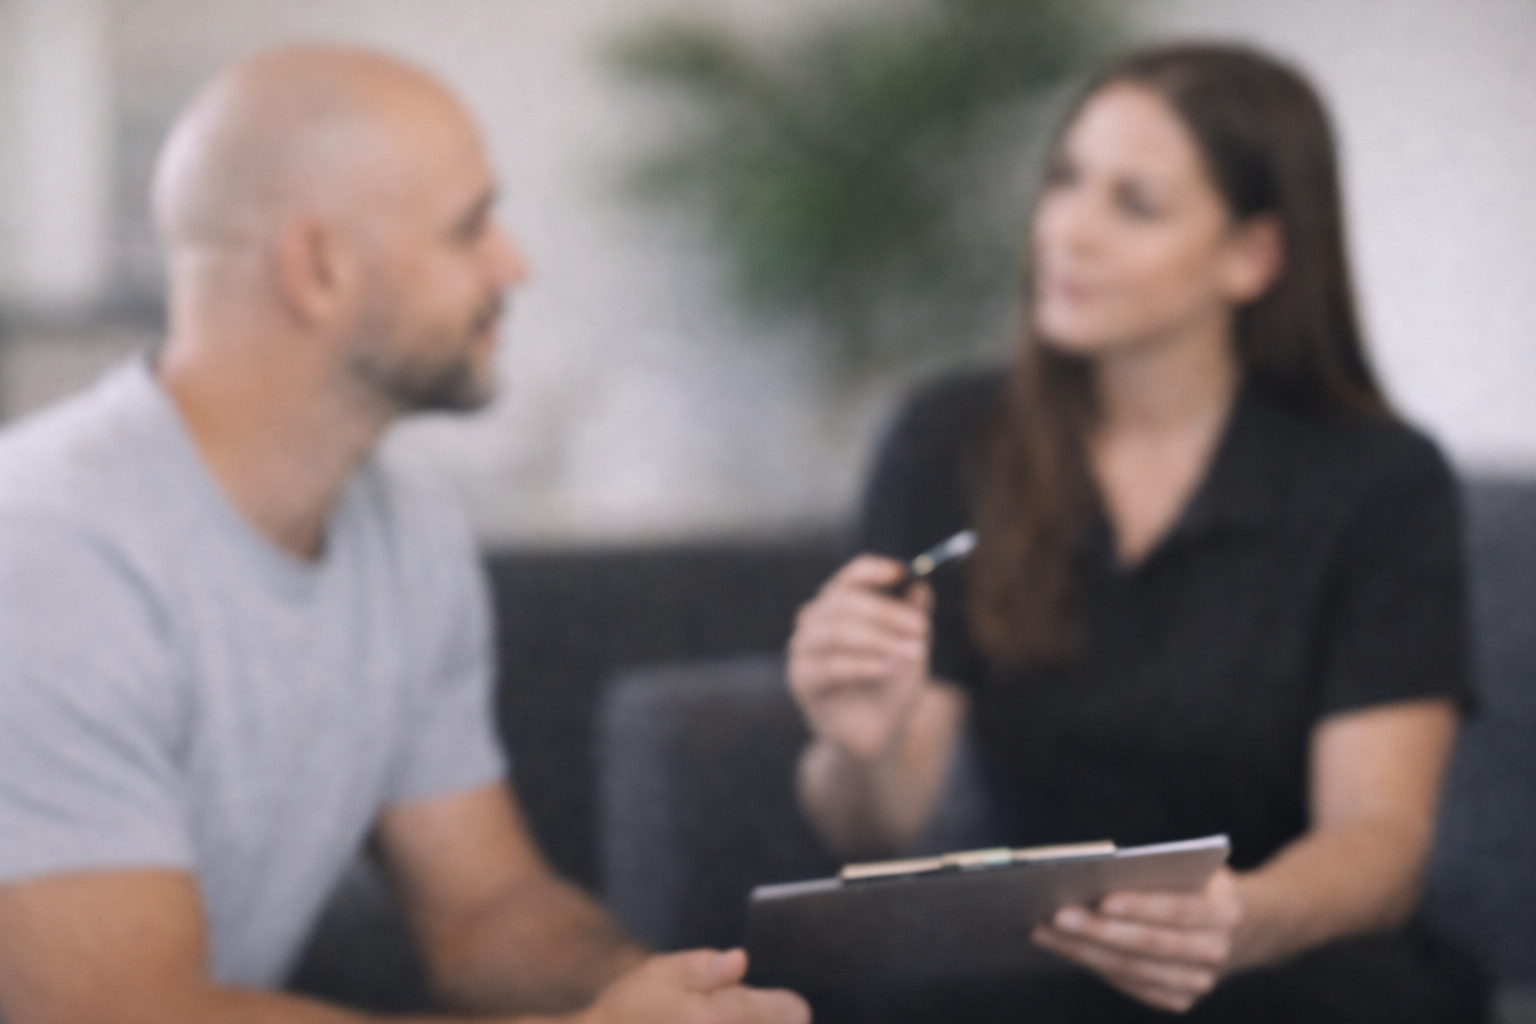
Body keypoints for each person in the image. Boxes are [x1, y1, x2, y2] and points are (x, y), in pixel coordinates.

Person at [0, 45, 808, 1024]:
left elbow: (486, 915)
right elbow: (121, 1010)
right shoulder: (46, 549)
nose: (514, 265)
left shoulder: (406, 526)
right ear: (318, 268)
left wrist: (675, 995)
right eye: (469, 228)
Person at [786, 43, 1486, 1022]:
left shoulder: (1380, 480)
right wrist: (857, 743)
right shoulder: (949, 440)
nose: (1067, 230)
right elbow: (879, 828)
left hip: (1289, 961)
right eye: (1064, 180)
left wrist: (1243, 919)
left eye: (1136, 204)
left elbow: (1381, 837)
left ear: (1253, 256)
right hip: (1037, 970)